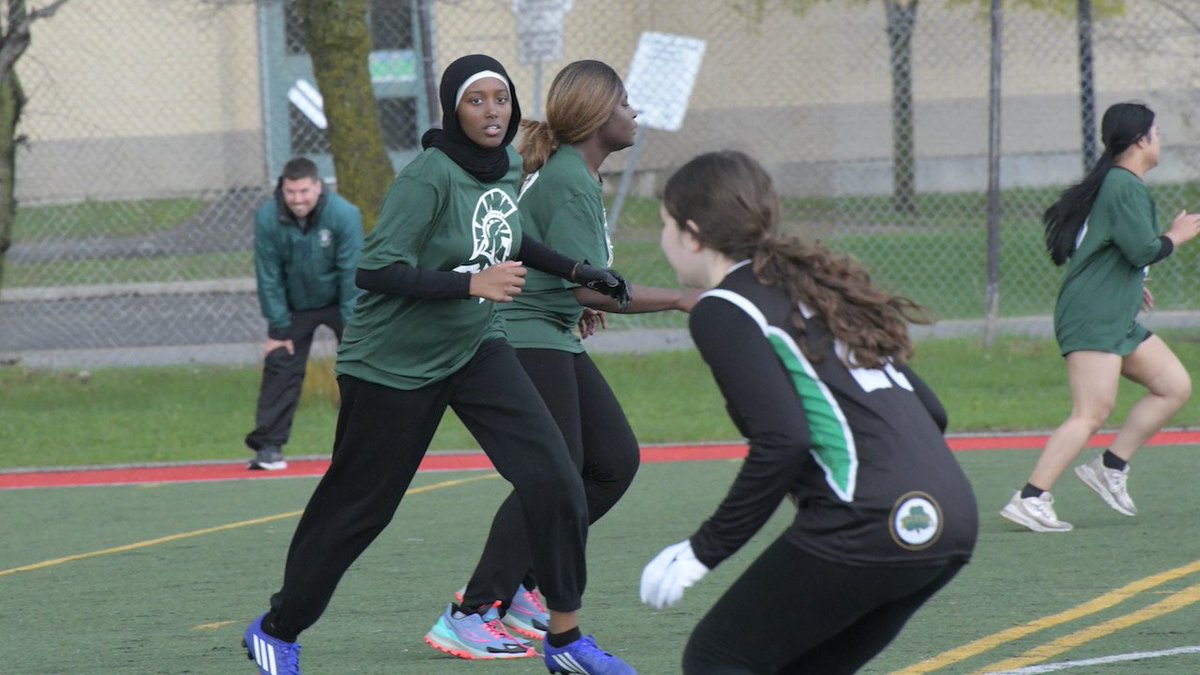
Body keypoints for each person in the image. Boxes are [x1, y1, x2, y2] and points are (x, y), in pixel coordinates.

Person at [241, 54, 637, 675]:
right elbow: (375, 270)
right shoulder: (427, 175)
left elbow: (505, 234)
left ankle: (565, 642)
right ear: (454, 109)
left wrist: (577, 270)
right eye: (476, 100)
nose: (491, 111)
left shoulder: (506, 164)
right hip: (392, 364)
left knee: (556, 477)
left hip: (475, 347)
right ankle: (277, 628)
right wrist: (472, 285)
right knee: (361, 507)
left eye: (499, 99)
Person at [640, 150, 978, 674]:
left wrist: (704, 550)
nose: (662, 238)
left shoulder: (724, 308)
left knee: (716, 658)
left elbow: (782, 439)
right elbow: (930, 410)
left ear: (691, 233)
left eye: (663, 224)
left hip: (866, 517)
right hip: (951, 515)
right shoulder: (809, 291)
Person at [439, 59, 699, 650]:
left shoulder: (577, 174)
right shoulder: (569, 177)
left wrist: (577, 298)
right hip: (521, 336)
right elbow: (590, 283)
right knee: (552, 476)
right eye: (626, 104)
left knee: (612, 463)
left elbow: (568, 276)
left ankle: (525, 587)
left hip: (549, 331)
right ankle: (473, 611)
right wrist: (683, 298)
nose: (635, 114)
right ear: (597, 115)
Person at [1000, 102, 1200, 533]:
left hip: (1111, 311)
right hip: (1093, 315)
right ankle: (1031, 498)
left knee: (1173, 386)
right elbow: (1143, 249)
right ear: (1141, 140)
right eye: (1157, 132)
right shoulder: (1124, 186)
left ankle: (1110, 467)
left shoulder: (1121, 184)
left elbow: (1117, 251)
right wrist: (1176, 236)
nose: (1160, 139)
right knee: (1091, 412)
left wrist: (1129, 284)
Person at [245, 156, 363, 471]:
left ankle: (369, 446)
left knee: (363, 367)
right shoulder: (268, 218)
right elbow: (268, 274)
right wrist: (279, 327)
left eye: (304, 191)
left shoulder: (344, 214)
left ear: (318, 186)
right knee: (280, 363)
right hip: (296, 306)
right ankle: (269, 448)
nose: (298, 199)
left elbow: (351, 272)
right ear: (282, 190)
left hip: (340, 303)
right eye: (291, 192)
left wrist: (353, 328)